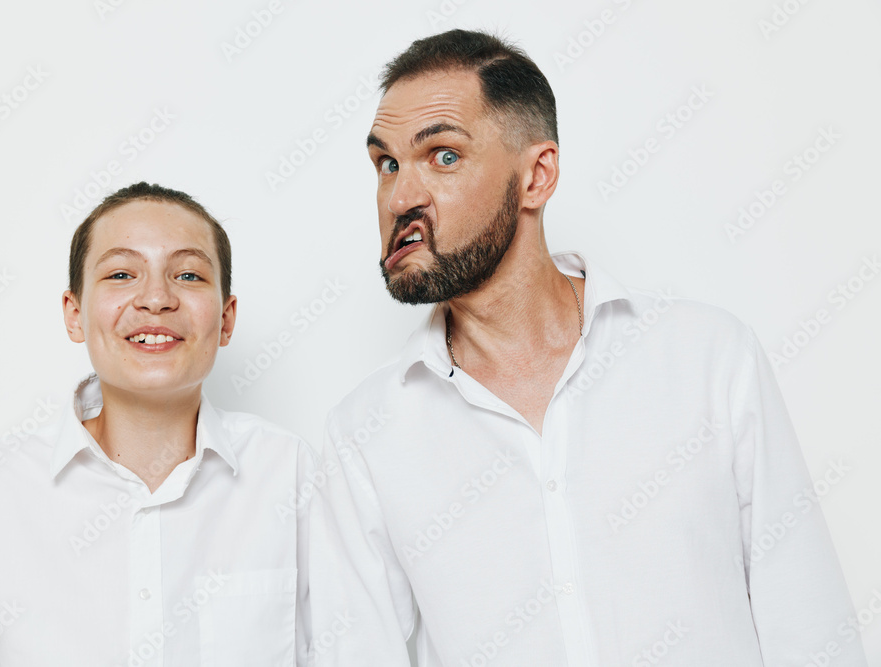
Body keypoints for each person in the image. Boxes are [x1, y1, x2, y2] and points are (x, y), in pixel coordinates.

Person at [308, 30, 868, 666]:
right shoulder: (366, 433)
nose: (401, 197)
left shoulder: (708, 359)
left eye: (442, 156)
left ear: (537, 176)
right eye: (387, 164)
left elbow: (809, 625)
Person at [0, 182, 314, 666]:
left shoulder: (291, 473)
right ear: (75, 314)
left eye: (188, 274)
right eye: (121, 273)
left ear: (225, 319)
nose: (156, 298)